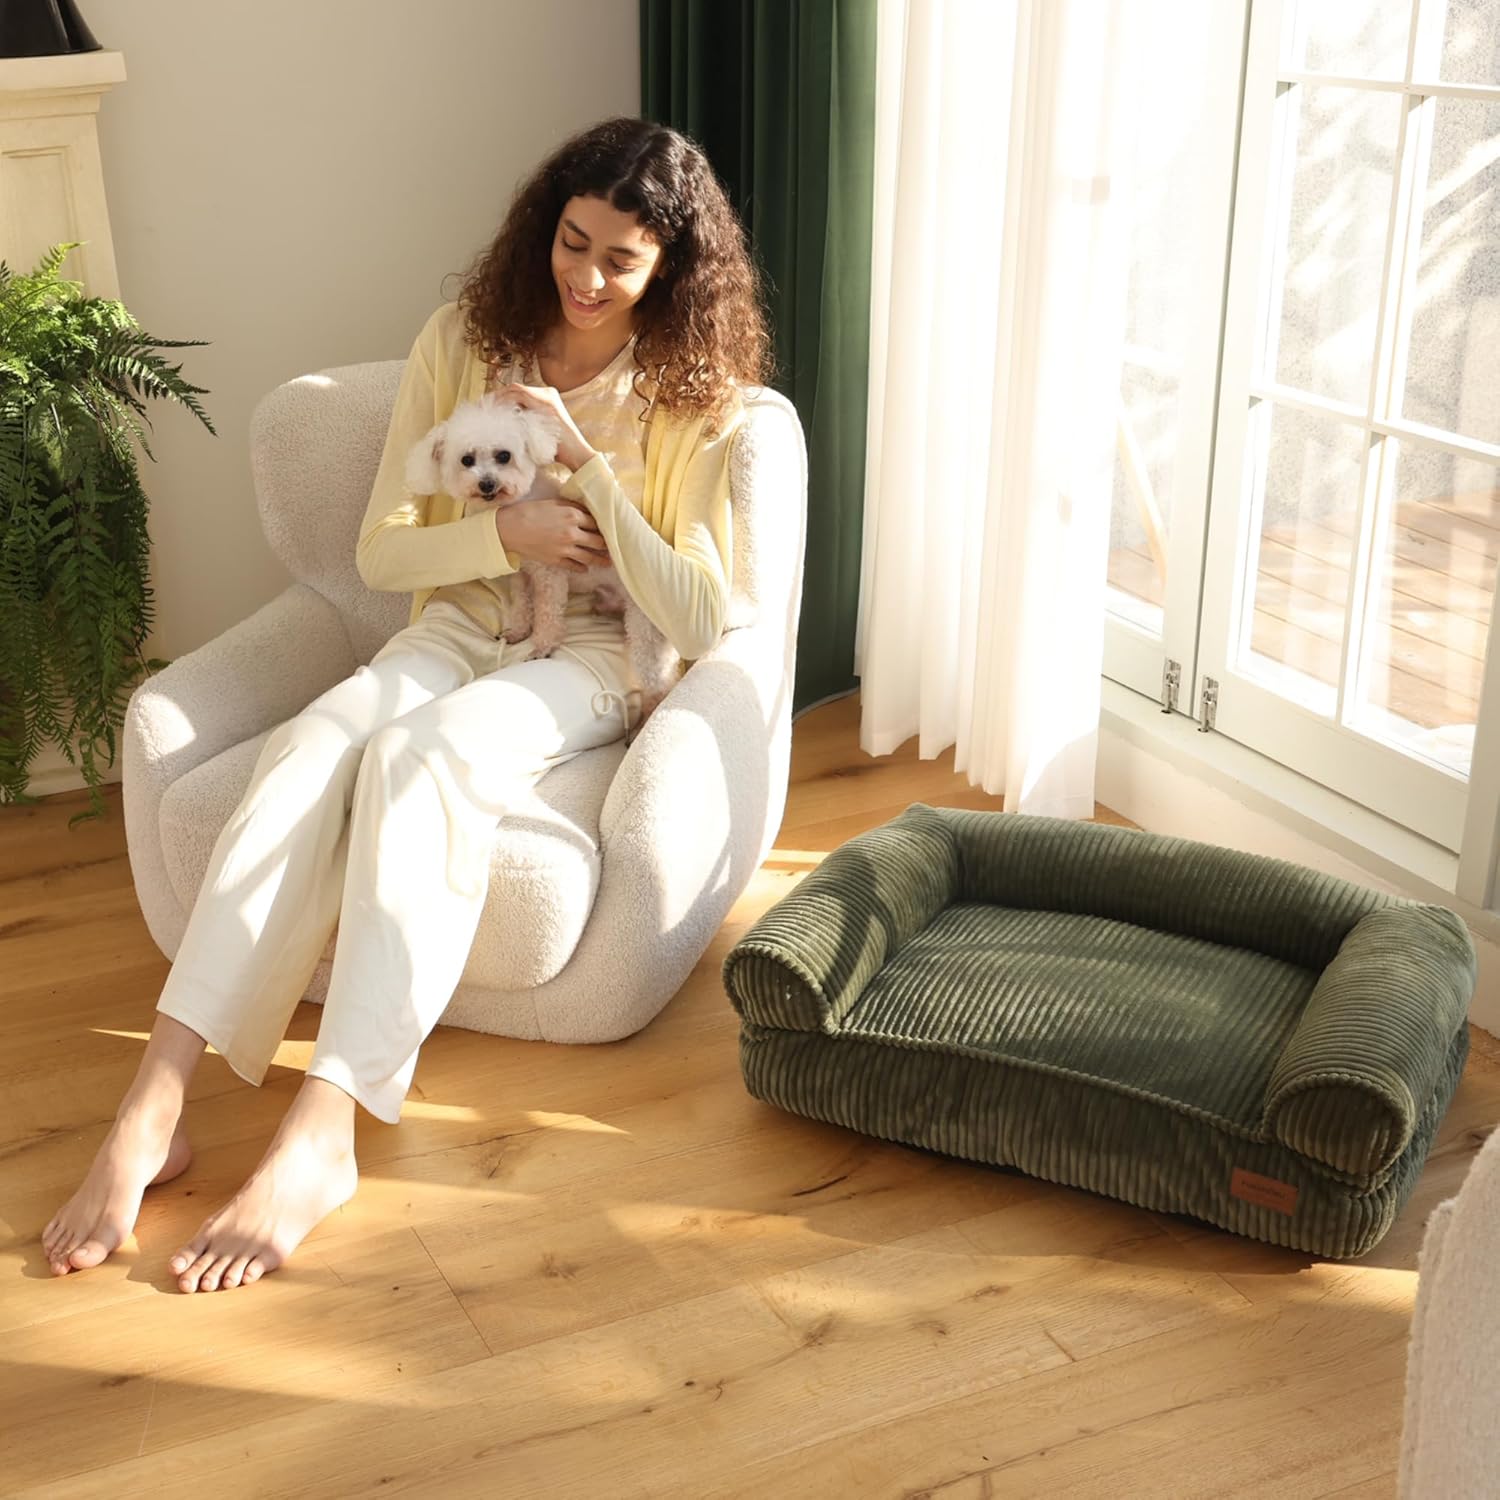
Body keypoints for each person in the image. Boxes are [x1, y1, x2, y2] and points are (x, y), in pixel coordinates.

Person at [41, 116, 771, 1293]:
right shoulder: (463, 342)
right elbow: (384, 552)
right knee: (312, 744)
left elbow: (695, 615)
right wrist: (504, 532)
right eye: (572, 241)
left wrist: (586, 473)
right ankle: (154, 1101)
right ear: (546, 224)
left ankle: (324, 1130)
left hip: (590, 651)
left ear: (670, 267)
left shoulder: (695, 395)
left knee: (420, 761)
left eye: (620, 261)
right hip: (456, 624)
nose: (586, 279)